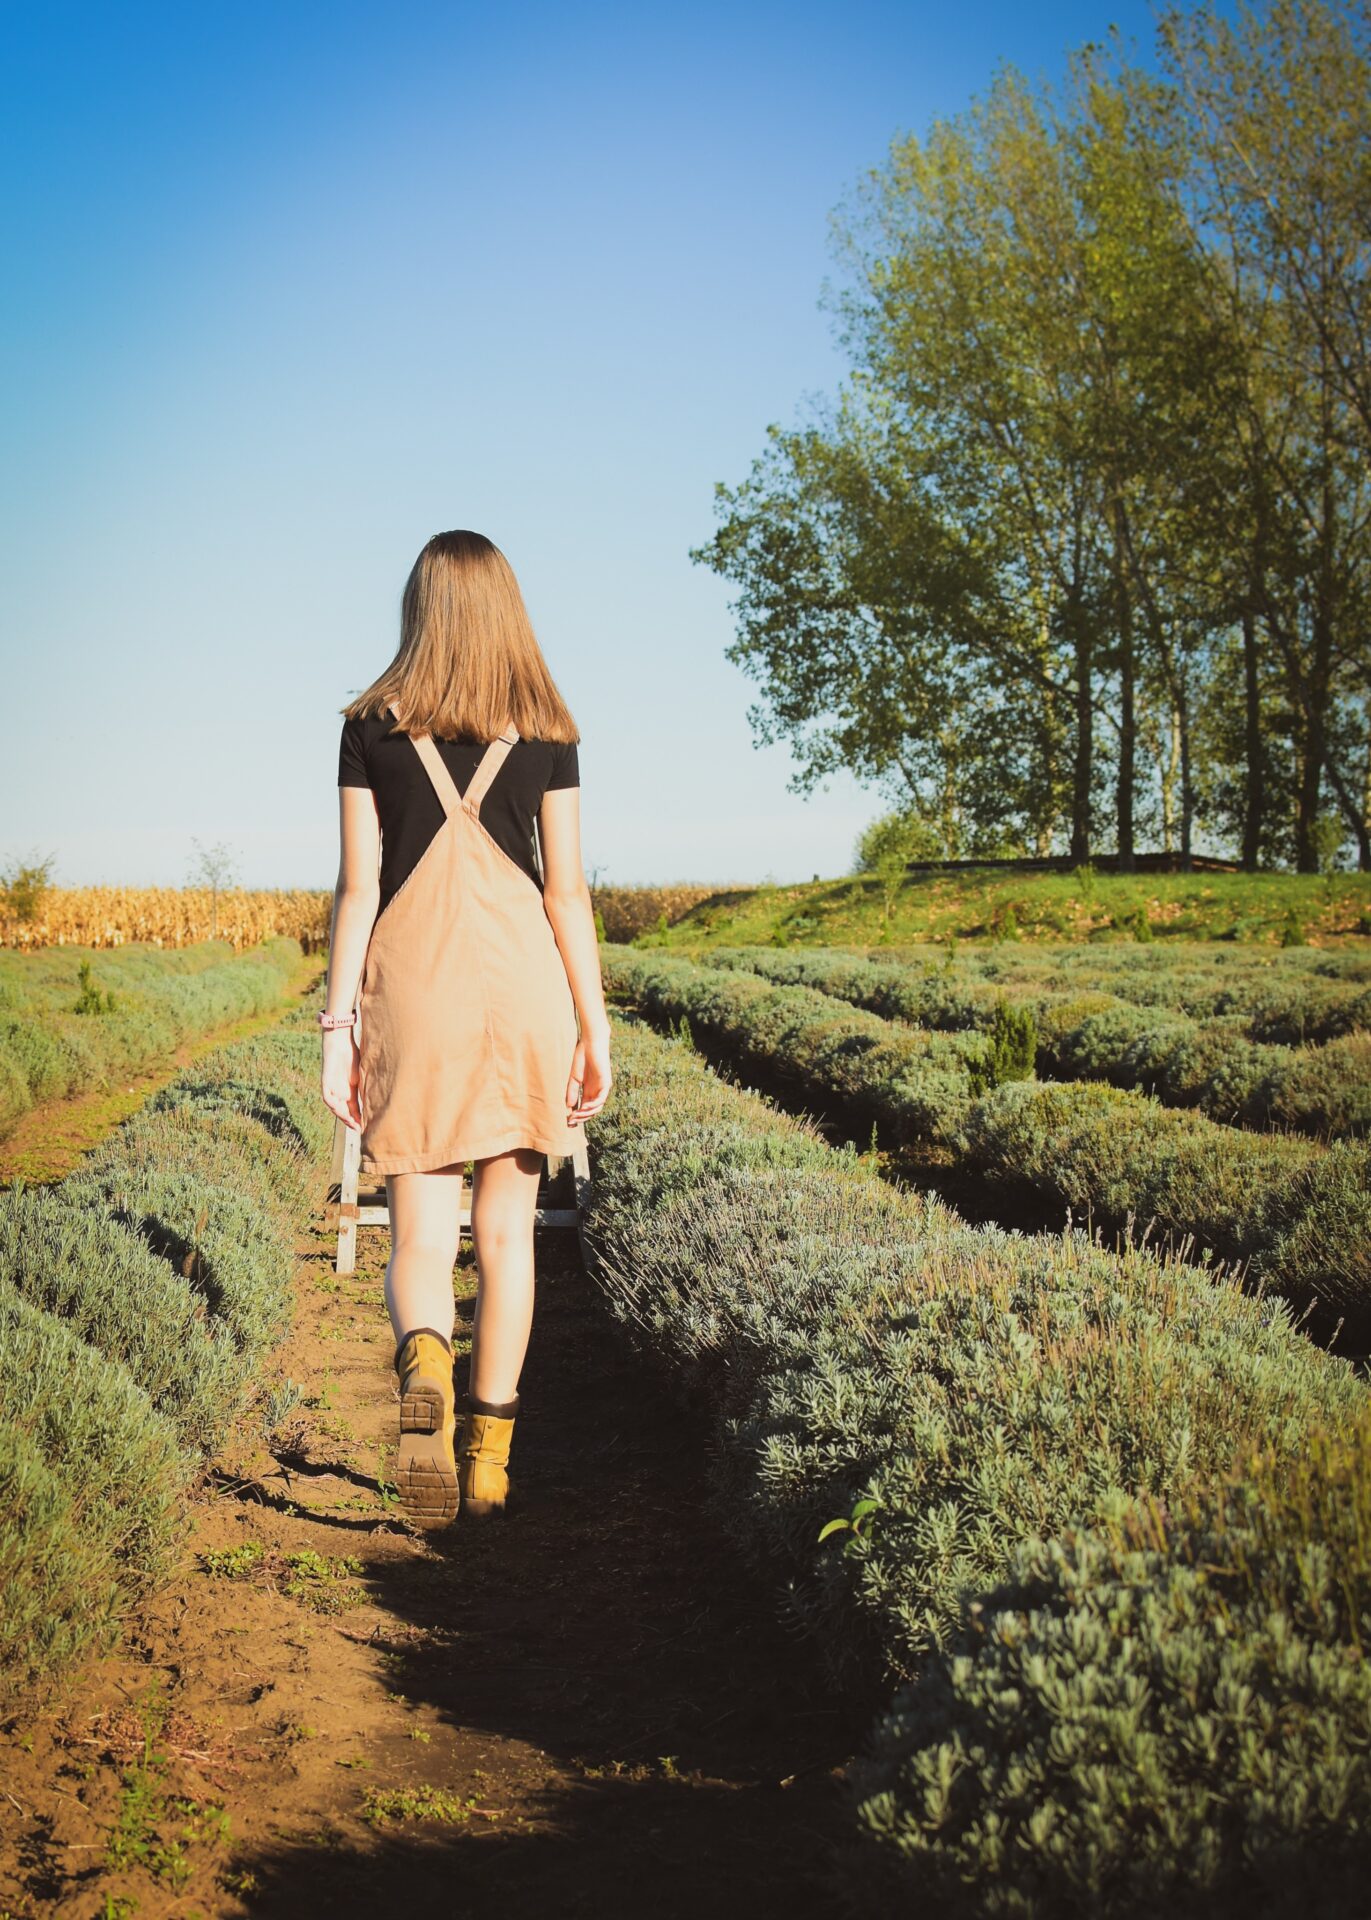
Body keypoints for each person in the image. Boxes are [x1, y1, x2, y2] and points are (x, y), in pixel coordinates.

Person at [319, 529, 612, 1528]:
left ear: (420, 608)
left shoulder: (368, 726)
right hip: (524, 986)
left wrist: (336, 1024)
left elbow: (359, 889)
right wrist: (594, 1026)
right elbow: (568, 894)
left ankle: (426, 1364)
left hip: (415, 986)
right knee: (508, 1238)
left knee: (419, 1231)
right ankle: (488, 1463)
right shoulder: (549, 728)